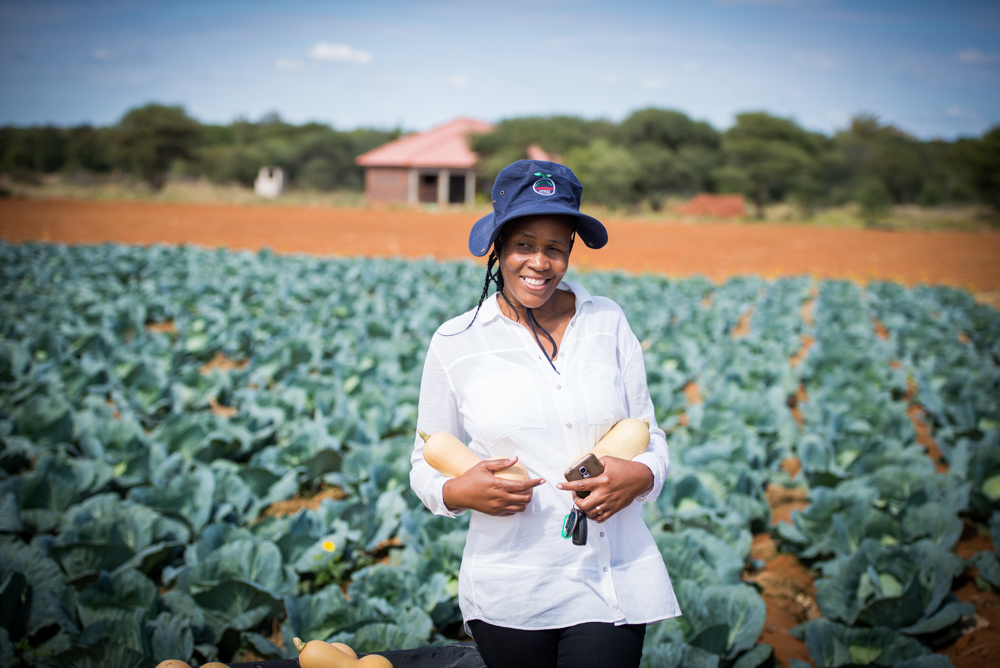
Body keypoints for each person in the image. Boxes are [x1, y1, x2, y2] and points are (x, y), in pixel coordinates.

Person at [409, 160, 679, 668]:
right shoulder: (456, 342)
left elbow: (649, 432)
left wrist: (641, 475)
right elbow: (426, 458)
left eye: (555, 247)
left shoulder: (607, 321)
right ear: (498, 247)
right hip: (511, 582)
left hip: (609, 571)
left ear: (570, 252)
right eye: (524, 245)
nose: (540, 262)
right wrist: (454, 491)